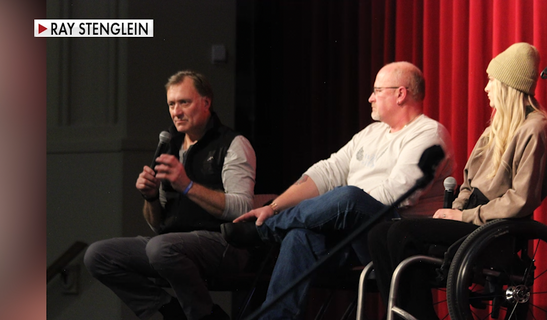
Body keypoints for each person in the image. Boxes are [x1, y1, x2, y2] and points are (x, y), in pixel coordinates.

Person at [221, 61, 454, 319]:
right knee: (300, 237)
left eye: (377, 90)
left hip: (394, 237)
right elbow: (327, 172)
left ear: (400, 94)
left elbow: (397, 194)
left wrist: (339, 207)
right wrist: (274, 206)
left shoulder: (428, 133)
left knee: (350, 197)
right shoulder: (371, 133)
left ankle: (264, 230)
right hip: (351, 235)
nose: (370, 97)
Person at [368, 42, 547, 319]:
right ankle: (404, 314)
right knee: (379, 233)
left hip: (497, 229)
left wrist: (464, 216)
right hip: (470, 217)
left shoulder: (535, 128)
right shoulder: (495, 128)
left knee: (401, 234)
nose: (486, 88)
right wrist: (452, 211)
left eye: (491, 81)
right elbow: (468, 183)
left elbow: (520, 199)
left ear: (507, 85)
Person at [83, 70, 257, 320]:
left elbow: (241, 208)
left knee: (161, 248)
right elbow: (158, 225)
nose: (176, 111)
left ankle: (204, 315)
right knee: (98, 255)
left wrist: (187, 185)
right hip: (170, 244)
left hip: (225, 243)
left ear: (206, 102)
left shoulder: (233, 144)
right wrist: (151, 197)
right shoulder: (170, 146)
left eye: (184, 102)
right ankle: (168, 312)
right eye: (171, 104)